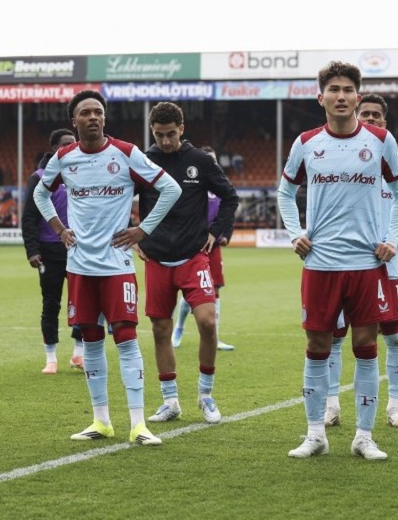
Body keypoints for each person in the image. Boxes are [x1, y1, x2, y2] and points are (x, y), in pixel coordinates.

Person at [33, 89, 182, 446]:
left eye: (98, 111)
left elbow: (170, 188)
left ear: (104, 117)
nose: (93, 117)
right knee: (92, 341)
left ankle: (138, 424)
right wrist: (58, 228)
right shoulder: (64, 157)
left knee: (127, 341)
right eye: (85, 113)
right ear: (75, 121)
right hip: (80, 267)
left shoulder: (126, 153)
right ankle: (101, 421)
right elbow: (40, 193)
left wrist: (143, 229)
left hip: (116, 266)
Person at [277, 62, 398, 460]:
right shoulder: (305, 142)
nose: (340, 96)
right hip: (320, 264)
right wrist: (294, 233)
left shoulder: (381, 140)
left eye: (348, 89)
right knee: (318, 344)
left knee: (367, 345)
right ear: (321, 98)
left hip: (366, 265)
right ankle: (315, 434)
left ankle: (364, 436)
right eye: (333, 89)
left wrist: (391, 238)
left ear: (357, 96)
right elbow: (285, 193)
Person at [138, 103, 239, 425]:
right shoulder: (144, 161)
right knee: (159, 329)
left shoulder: (199, 161)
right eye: (159, 135)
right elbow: (120, 196)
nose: (165, 141)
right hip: (157, 258)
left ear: (181, 129)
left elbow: (230, 196)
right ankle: (170, 401)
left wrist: (217, 231)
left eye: (170, 134)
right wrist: (136, 237)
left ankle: (206, 394)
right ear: (152, 131)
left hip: (194, 256)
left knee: (208, 322)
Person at [325, 93, 398, 429]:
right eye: (367, 114)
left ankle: (394, 407)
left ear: (385, 124)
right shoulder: (340, 162)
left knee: (394, 337)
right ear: (357, 118)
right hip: (342, 263)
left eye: (378, 115)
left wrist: (392, 243)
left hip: (387, 265)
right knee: (334, 336)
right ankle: (332, 405)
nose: (372, 119)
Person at [22, 128, 83, 374]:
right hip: (49, 251)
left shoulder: (83, 174)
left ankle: (79, 354)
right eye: (66, 144)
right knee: (51, 304)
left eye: (73, 144)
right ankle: (51, 357)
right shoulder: (39, 177)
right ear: (55, 148)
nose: (71, 148)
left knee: (83, 302)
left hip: (80, 250)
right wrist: (32, 250)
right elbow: (29, 217)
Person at [172, 145, 237, 353]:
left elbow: (229, 210)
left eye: (214, 160)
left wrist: (226, 234)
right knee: (190, 290)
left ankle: (215, 337)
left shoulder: (220, 186)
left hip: (214, 245)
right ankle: (179, 328)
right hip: (193, 244)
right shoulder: (192, 184)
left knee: (215, 289)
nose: (212, 164)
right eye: (208, 159)